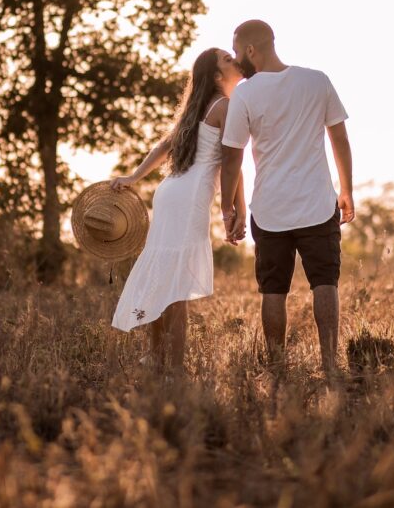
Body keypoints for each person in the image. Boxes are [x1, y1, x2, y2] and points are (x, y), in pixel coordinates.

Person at [219, 20, 354, 374]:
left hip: (269, 210)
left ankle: (277, 367)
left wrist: (226, 208)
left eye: (236, 52)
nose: (236, 60)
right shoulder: (316, 80)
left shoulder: (245, 94)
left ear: (250, 50)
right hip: (316, 205)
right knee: (325, 283)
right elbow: (339, 138)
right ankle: (329, 364)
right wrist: (347, 190)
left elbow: (232, 156)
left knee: (273, 291)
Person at [110, 47, 245, 372]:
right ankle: (175, 370)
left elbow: (162, 146)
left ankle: (156, 356)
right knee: (178, 283)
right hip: (191, 195)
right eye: (228, 59)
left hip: (170, 191)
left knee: (163, 275)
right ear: (216, 76)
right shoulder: (226, 106)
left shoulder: (194, 110)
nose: (235, 61)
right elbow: (233, 161)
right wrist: (236, 209)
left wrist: (133, 177)